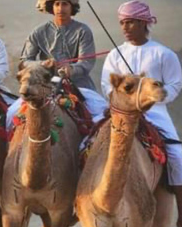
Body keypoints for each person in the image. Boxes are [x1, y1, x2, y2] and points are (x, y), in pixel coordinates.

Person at [101, 0, 182, 227]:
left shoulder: (164, 54)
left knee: (176, 157)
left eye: (130, 22)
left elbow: (175, 85)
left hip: (155, 113)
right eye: (122, 22)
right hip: (121, 112)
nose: (125, 27)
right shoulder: (115, 54)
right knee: (88, 147)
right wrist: (124, 101)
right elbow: (106, 84)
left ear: (144, 23)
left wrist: (151, 99)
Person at [6, 0, 107, 131]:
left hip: (79, 87)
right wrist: (42, 64)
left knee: (103, 114)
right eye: (57, 4)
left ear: (72, 7)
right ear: (51, 7)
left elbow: (86, 63)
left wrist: (71, 69)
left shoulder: (83, 31)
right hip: (44, 86)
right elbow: (24, 61)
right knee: (11, 115)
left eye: (65, 4)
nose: (60, 8)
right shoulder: (39, 32)